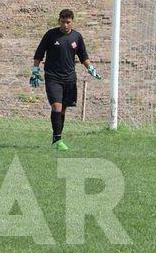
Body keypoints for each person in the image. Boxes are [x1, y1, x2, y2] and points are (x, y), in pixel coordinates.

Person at [30, 8, 102, 151]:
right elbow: (39, 53)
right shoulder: (51, 35)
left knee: (62, 110)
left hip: (69, 78)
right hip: (52, 77)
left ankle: (56, 139)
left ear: (72, 22)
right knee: (56, 106)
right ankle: (57, 141)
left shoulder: (77, 37)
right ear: (59, 21)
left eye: (68, 22)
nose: (65, 25)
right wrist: (34, 71)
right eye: (62, 22)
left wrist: (91, 68)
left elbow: (83, 56)